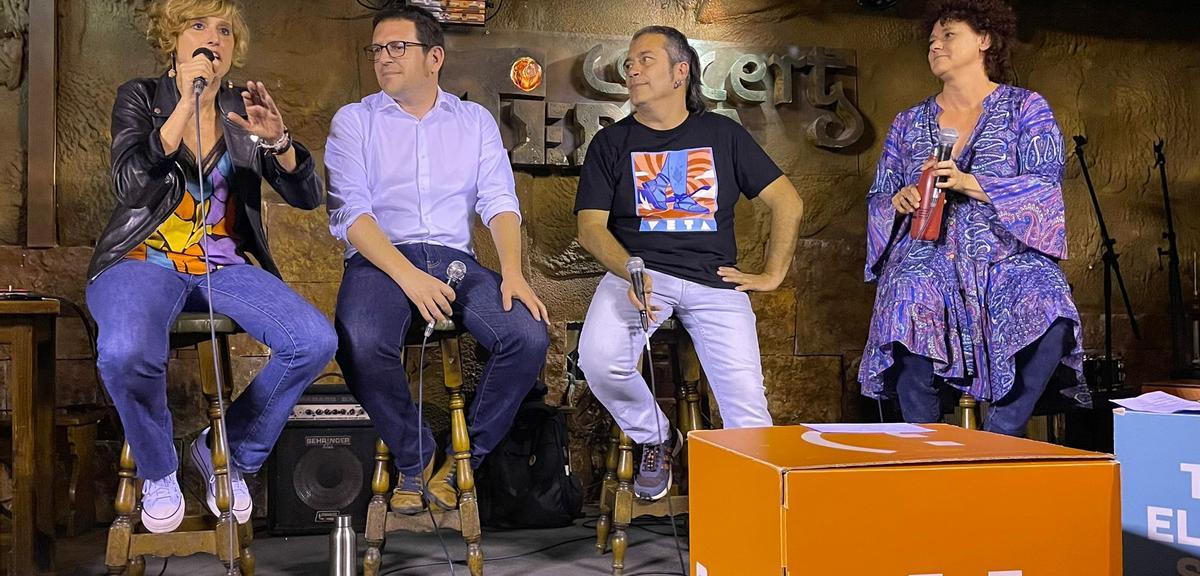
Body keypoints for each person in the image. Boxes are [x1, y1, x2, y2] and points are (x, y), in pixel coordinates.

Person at [86, 0, 336, 533]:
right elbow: (130, 184)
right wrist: (183, 105)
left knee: (313, 340)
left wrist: (280, 141)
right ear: (172, 39)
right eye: (198, 26)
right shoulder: (139, 96)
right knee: (126, 351)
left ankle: (226, 450)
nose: (213, 38)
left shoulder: (239, 112)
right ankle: (158, 470)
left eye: (224, 30)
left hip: (221, 266)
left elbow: (310, 196)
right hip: (140, 258)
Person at [325, 5, 550, 515]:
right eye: (377, 49)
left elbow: (499, 201)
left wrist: (512, 272)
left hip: (456, 260)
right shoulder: (355, 120)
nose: (384, 58)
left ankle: (462, 461)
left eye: (397, 47)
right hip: (380, 260)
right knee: (358, 341)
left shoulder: (474, 122)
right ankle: (415, 454)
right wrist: (409, 278)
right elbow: (350, 213)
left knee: (527, 335)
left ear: (434, 58)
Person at [574, 26, 804, 501]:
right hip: (638, 275)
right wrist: (630, 270)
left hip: (714, 282)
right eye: (629, 61)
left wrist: (772, 274)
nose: (632, 69)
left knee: (747, 408)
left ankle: (755, 519)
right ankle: (656, 436)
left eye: (646, 59)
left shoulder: (722, 134)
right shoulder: (611, 143)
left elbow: (788, 202)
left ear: (681, 72)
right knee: (599, 361)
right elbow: (591, 228)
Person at [858, 0, 1087, 436]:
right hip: (928, 252)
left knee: (1051, 303)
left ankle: (1002, 433)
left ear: (984, 40)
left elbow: (1044, 185)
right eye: (932, 40)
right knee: (906, 296)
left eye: (949, 35)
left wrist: (967, 182)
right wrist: (899, 200)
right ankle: (925, 444)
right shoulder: (908, 122)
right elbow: (879, 196)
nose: (936, 46)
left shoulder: (1026, 108)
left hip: (1005, 253)